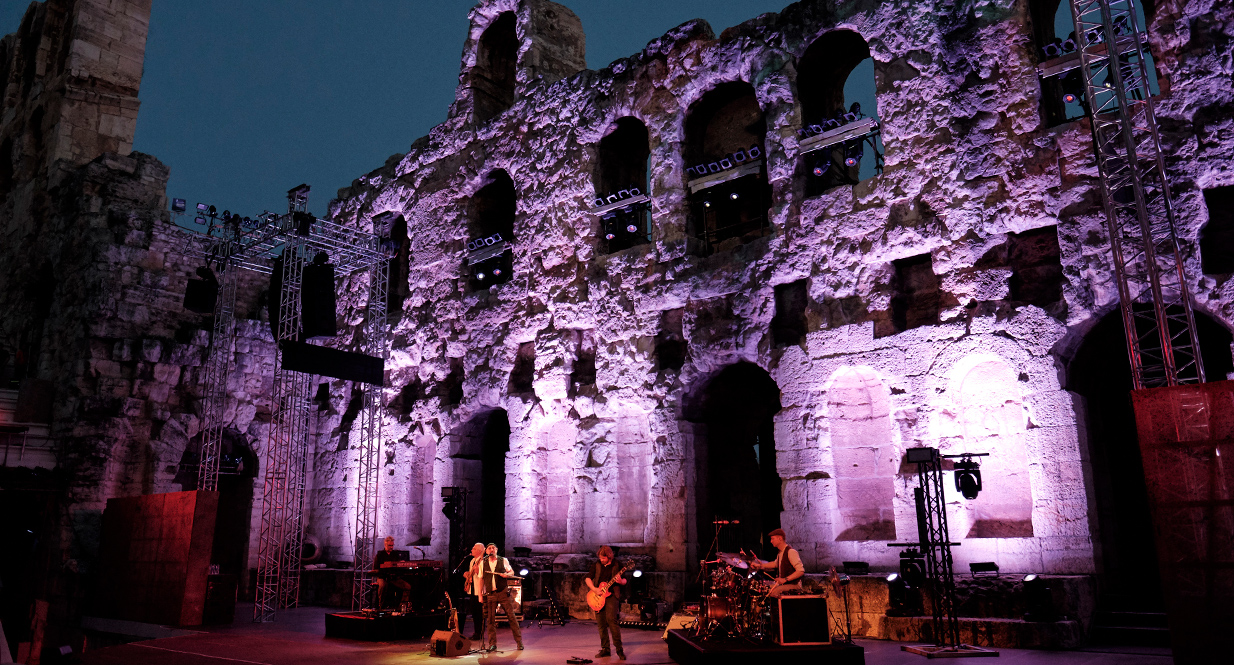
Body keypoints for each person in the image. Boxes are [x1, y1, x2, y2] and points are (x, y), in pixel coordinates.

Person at [585, 545, 627, 661]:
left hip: (612, 595)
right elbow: (588, 579)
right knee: (601, 623)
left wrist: (620, 581)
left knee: (611, 620)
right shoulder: (597, 565)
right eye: (600, 558)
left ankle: (619, 650)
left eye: (603, 558)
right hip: (598, 595)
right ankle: (605, 649)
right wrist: (594, 589)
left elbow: (625, 580)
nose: (601, 560)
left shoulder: (617, 564)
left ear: (609, 556)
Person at [480, 543, 524, 652]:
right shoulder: (483, 562)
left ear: (496, 550)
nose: (492, 549)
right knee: (490, 620)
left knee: (511, 617)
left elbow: (511, 572)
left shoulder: (503, 560)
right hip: (491, 594)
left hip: (503, 592)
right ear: (486, 551)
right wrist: (480, 594)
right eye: (489, 548)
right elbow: (481, 579)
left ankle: (519, 642)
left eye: (493, 548)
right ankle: (492, 644)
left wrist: (507, 575)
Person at [752, 528, 805, 598]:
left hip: (795, 585)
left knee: (774, 592)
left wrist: (784, 579)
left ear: (780, 539)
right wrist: (759, 565)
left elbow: (800, 571)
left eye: (772, 539)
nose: (771, 541)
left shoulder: (791, 552)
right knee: (767, 589)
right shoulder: (780, 553)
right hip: (786, 584)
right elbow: (775, 564)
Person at [371, 536, 411, 609]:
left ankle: (402, 606)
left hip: (393, 578)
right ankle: (381, 607)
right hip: (382, 577)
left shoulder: (395, 554)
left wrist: (401, 563)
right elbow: (376, 568)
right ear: (385, 545)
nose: (391, 547)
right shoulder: (380, 554)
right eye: (389, 545)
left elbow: (397, 565)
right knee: (383, 586)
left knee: (407, 586)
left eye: (392, 545)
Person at [459, 542, 486, 640]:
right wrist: (467, 574)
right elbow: (472, 575)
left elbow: (483, 575)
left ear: (479, 551)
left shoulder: (483, 561)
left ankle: (479, 633)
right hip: (472, 589)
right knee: (474, 612)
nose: (471, 550)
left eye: (473, 548)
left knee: (479, 612)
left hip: (479, 591)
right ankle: (476, 632)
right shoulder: (472, 561)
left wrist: (478, 571)